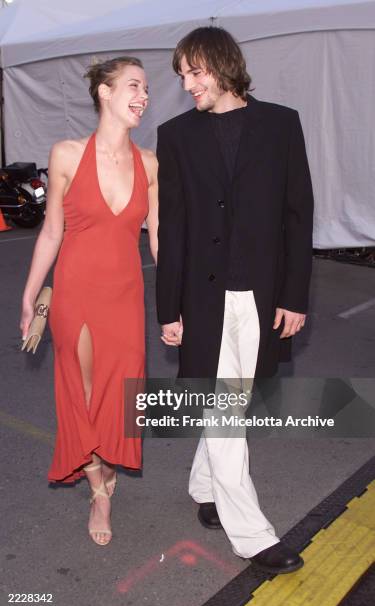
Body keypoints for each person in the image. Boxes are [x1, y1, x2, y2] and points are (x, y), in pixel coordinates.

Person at [156, 27, 313, 573]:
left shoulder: (280, 124)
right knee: (227, 411)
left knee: (234, 403)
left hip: (261, 295)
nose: (187, 84)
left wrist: (295, 295)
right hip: (204, 299)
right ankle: (254, 536)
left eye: (195, 72)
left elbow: (298, 214)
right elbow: (172, 227)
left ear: (224, 67)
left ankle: (204, 484)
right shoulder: (175, 135)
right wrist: (168, 309)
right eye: (182, 75)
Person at [20, 56, 158, 546]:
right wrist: (30, 293)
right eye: (134, 86)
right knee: (82, 391)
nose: (144, 96)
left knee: (119, 394)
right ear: (105, 91)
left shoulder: (149, 163)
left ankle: (102, 467)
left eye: (146, 89)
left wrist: (181, 306)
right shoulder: (66, 154)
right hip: (75, 293)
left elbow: (159, 242)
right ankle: (98, 488)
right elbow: (51, 231)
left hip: (126, 297)